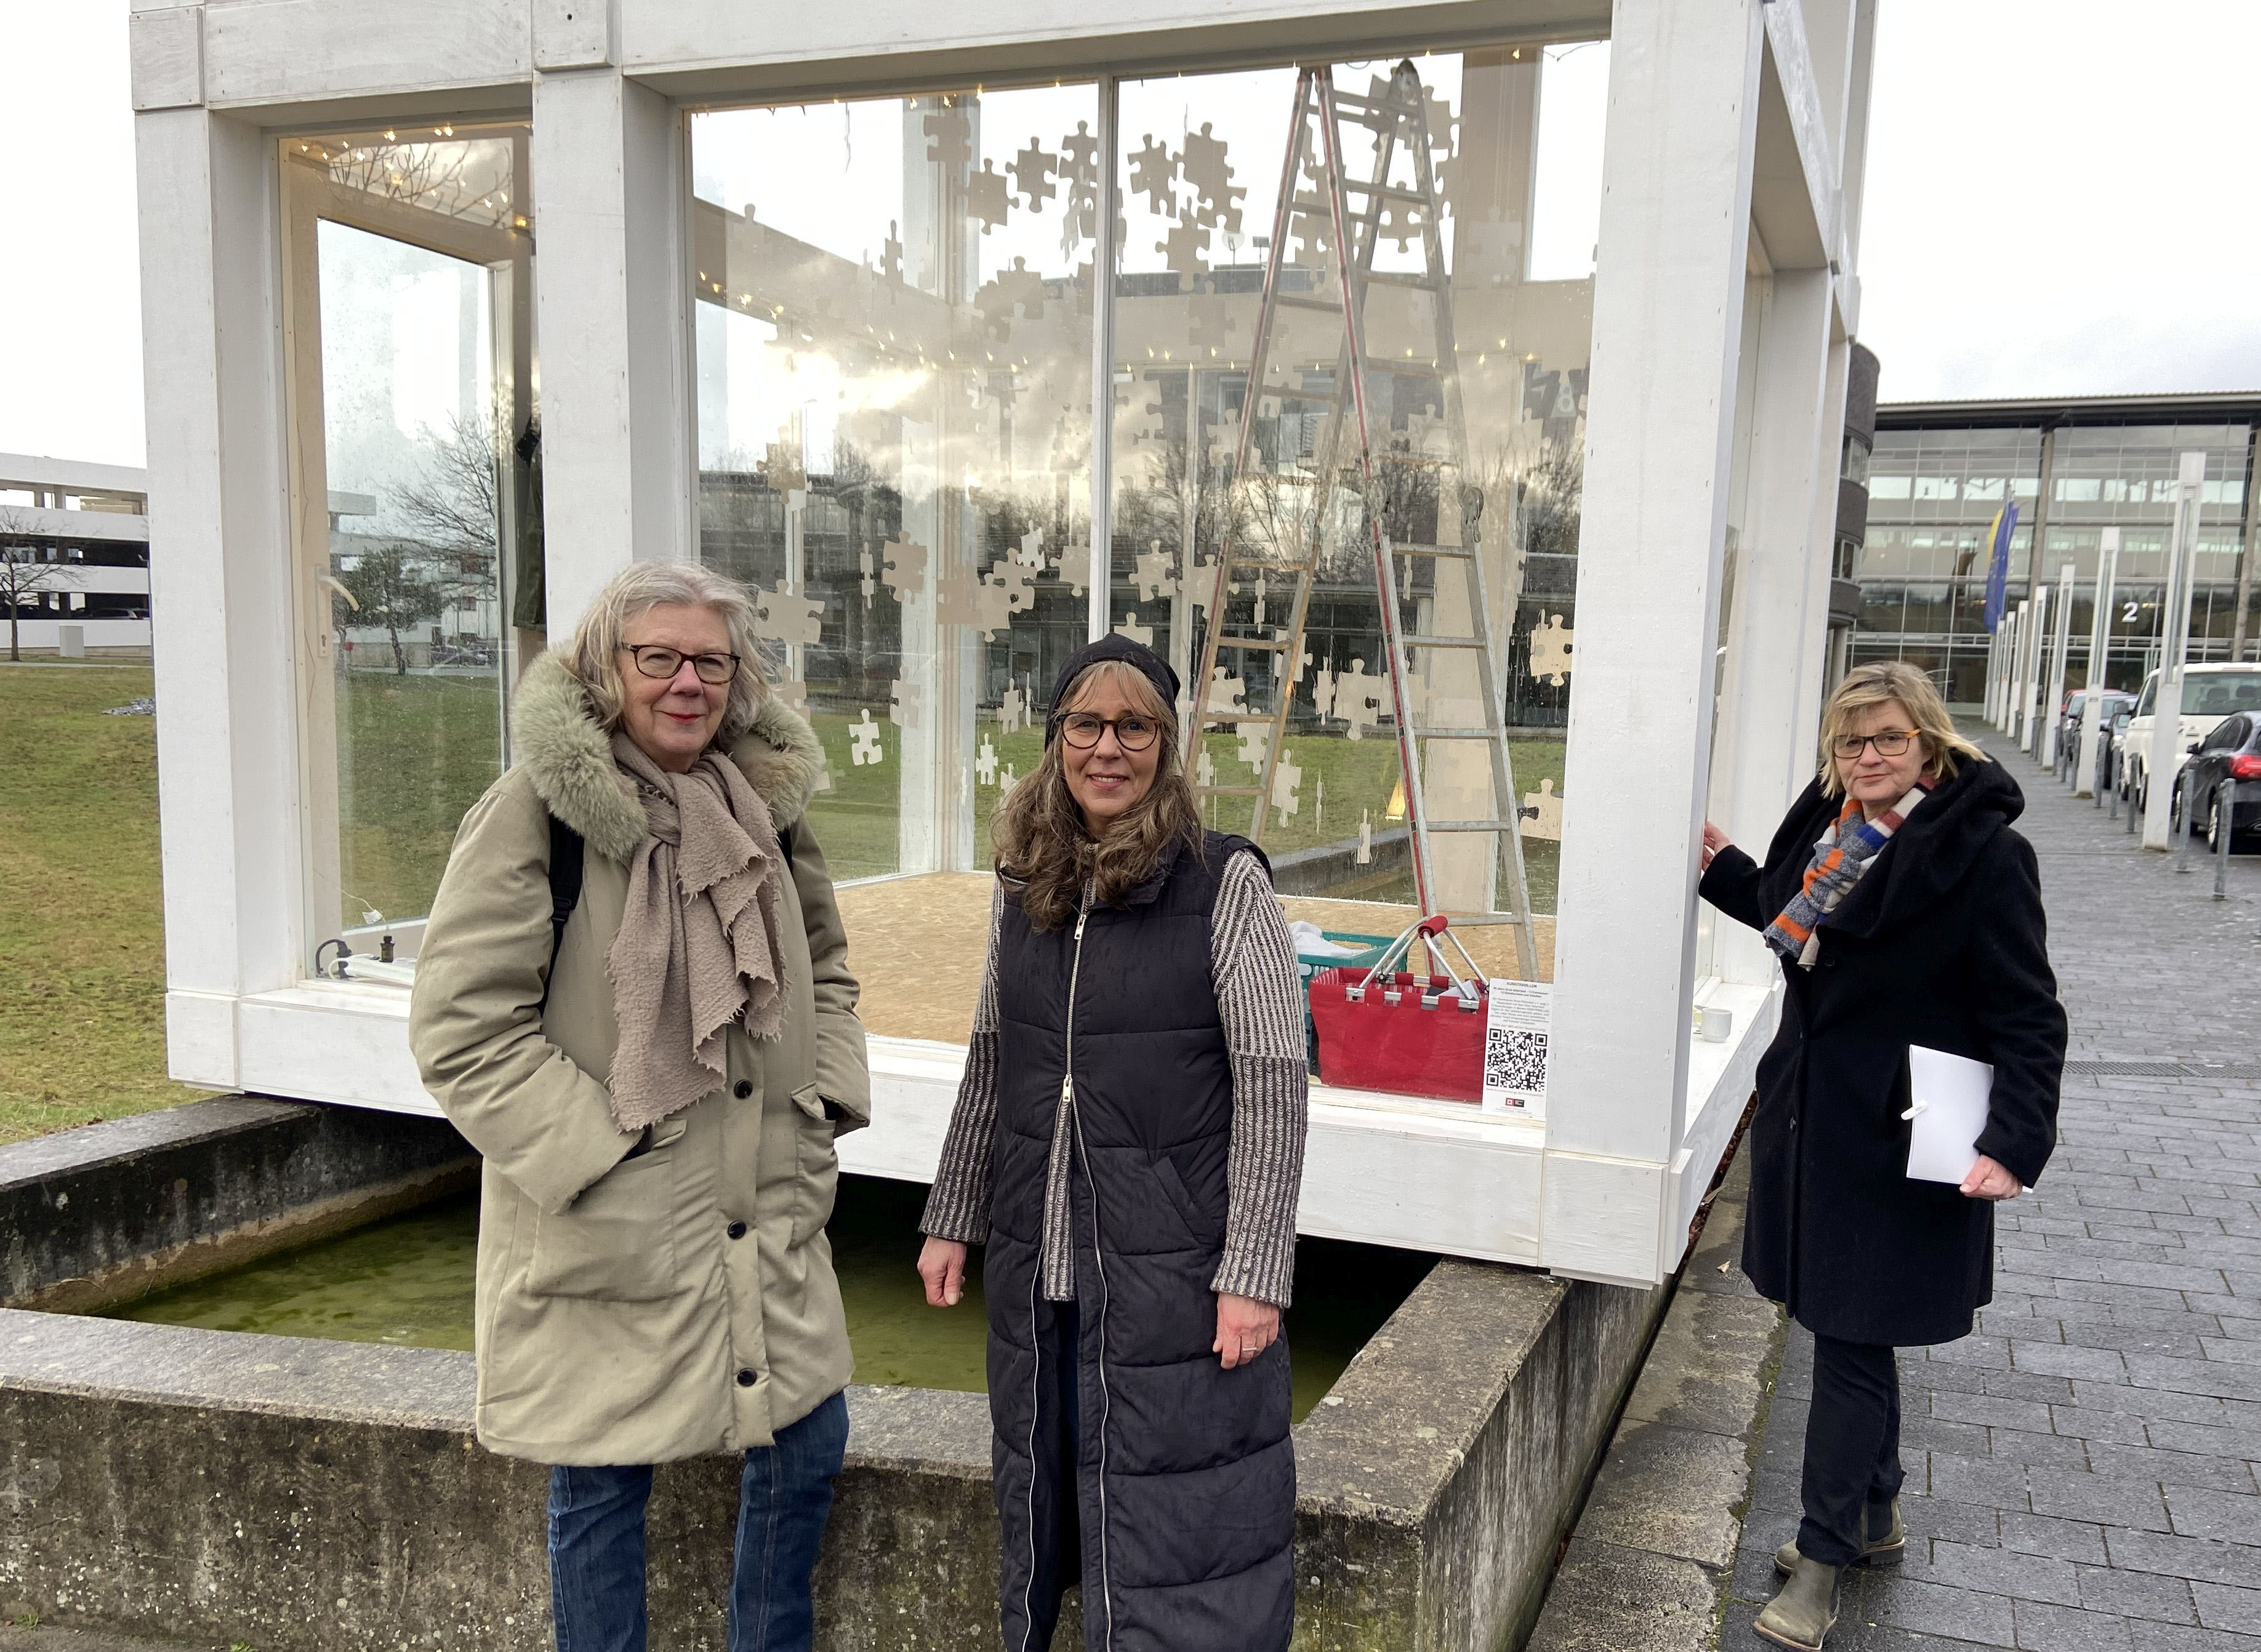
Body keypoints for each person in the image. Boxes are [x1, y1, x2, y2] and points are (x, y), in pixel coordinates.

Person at [408, 561, 867, 1652]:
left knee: (803, 1450)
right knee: (602, 1492)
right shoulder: (536, 813)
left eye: (709, 660)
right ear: (604, 670)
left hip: (767, 1203)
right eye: (656, 656)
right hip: (614, 1214)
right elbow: (462, 1028)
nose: (685, 683)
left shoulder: (763, 809)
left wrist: (823, 1096)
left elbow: (827, 966)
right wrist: (609, 1149)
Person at [914, 634, 1307, 1652]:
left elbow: (1272, 1082)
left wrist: (1253, 1271)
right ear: (1054, 741)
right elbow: (992, 1060)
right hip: (1040, 1270)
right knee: (1047, 1509)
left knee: (1176, 1534)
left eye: (1135, 726)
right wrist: (952, 1217)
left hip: (1172, 1276)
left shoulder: (1224, 886)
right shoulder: (1024, 887)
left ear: (1167, 745)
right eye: (1085, 724)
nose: (1107, 748)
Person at [1698, 661, 2065, 1652]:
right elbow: (1794, 915)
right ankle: (1875, 1512)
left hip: (1905, 1136)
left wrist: (2013, 1143)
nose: (1866, 756)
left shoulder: (1982, 856)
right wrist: (1723, 865)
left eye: (1888, 740)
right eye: (1852, 740)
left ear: (1929, 744)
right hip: (1813, 1124)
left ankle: (1821, 1560)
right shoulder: (1827, 831)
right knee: (1848, 1330)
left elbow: (2029, 1014)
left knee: (1850, 1337)